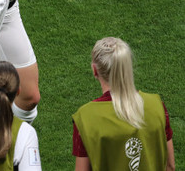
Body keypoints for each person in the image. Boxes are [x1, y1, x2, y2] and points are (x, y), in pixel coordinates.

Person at [72, 37, 175, 171]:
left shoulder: (85, 118)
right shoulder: (157, 106)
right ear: (127, 67)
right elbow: (170, 166)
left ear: (95, 70)